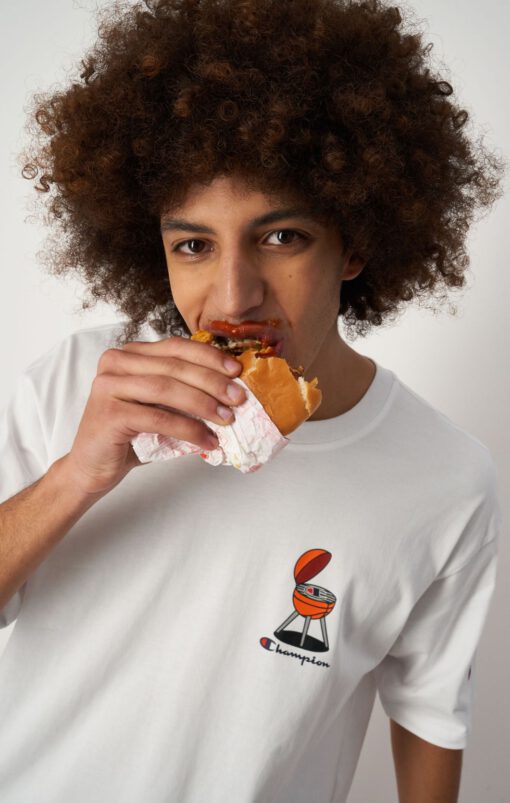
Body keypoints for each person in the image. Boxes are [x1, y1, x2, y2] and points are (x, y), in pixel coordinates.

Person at [0, 0, 505, 801]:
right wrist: (77, 474)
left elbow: (431, 710)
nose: (233, 295)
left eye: (281, 237)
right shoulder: (80, 379)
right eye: (194, 244)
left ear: (355, 243)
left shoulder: (448, 476)